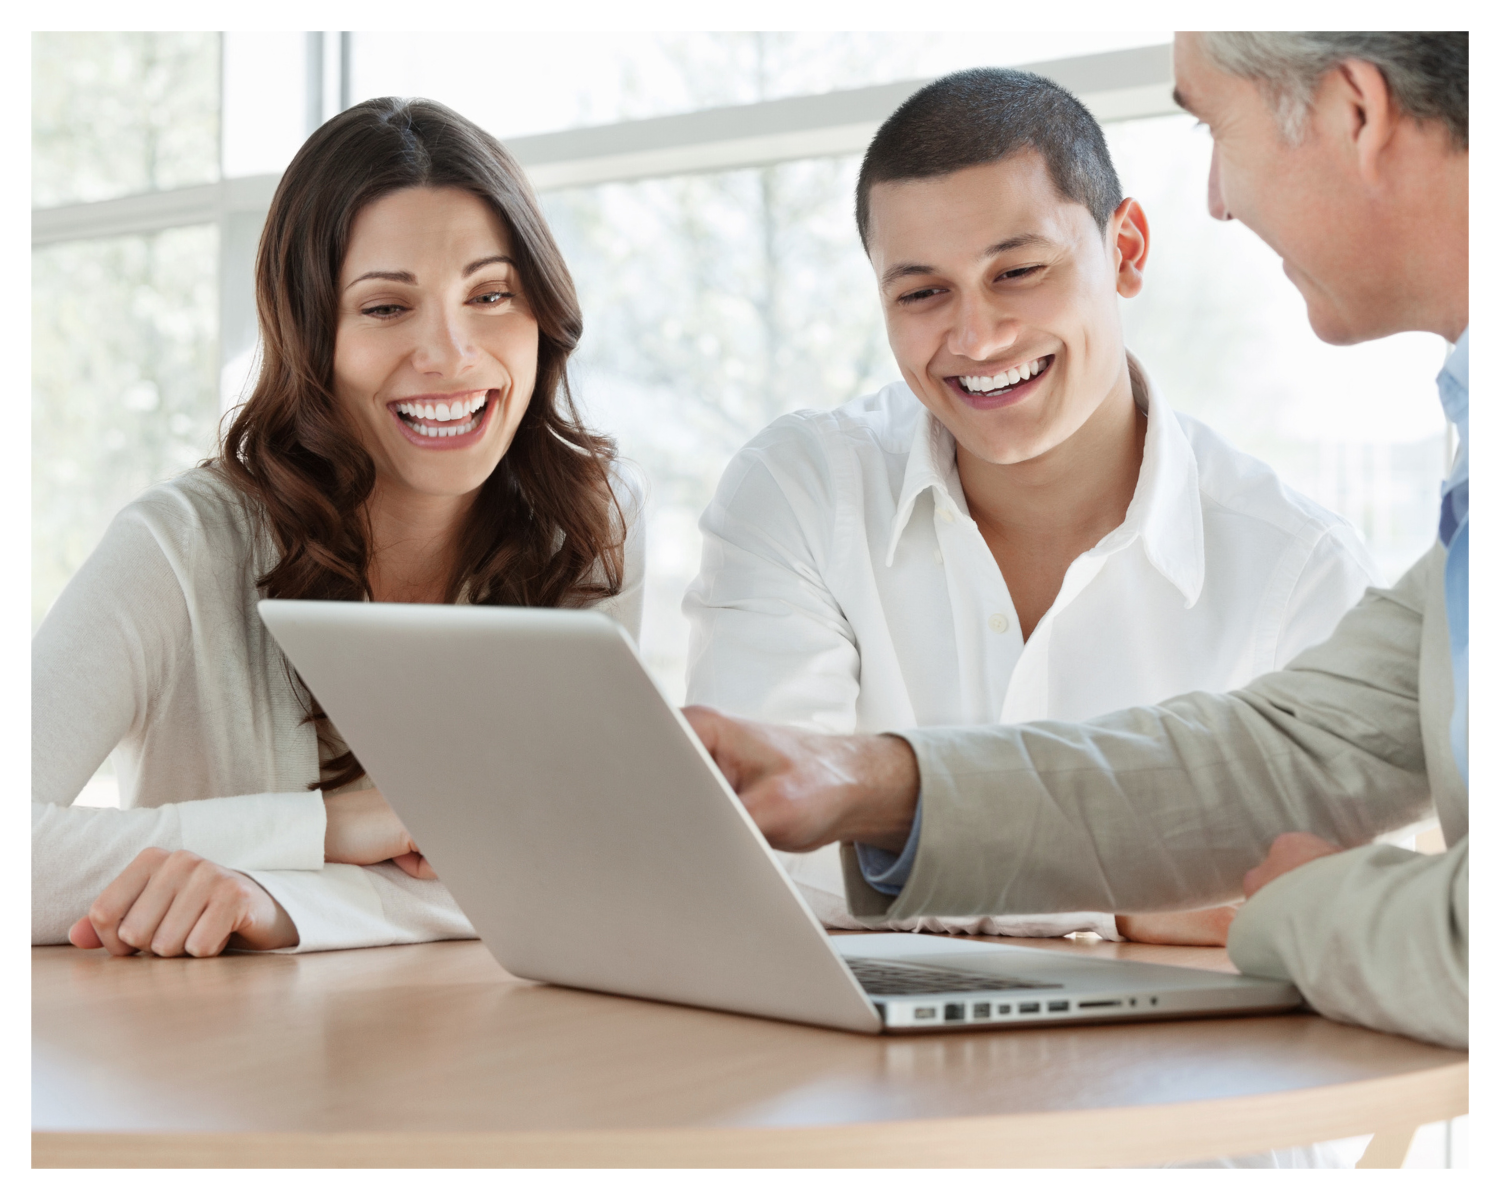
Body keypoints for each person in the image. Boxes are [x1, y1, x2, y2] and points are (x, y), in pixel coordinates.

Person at [686, 30, 1468, 1052]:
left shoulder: (1297, 552)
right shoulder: (1468, 484)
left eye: (1210, 124)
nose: (1219, 198)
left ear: (1354, 114)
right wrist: (874, 786)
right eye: (922, 291)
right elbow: (1284, 749)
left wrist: (1298, 908)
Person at [32, 98, 644, 958]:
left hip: (489, 1051)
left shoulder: (583, 528)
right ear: (309, 335)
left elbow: (580, 859)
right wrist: (321, 828)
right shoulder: (179, 547)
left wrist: (280, 901)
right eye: (386, 308)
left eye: (492, 293)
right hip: (215, 1064)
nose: (451, 352)